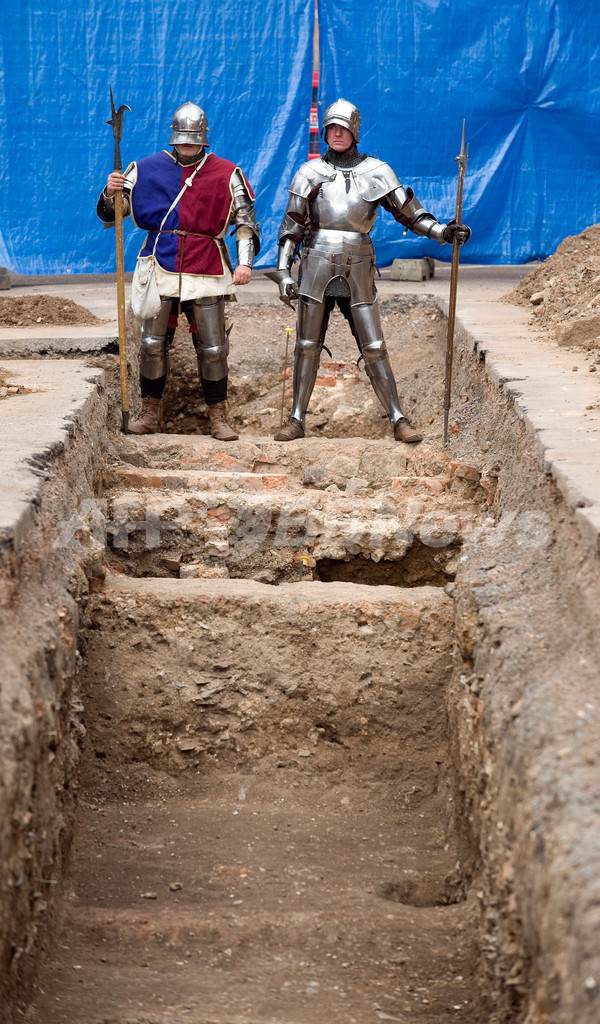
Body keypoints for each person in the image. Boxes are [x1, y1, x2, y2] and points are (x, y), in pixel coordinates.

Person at [270, 98, 470, 443]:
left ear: (354, 133)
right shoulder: (309, 173)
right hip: (315, 263)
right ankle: (296, 419)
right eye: (331, 128)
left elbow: (409, 213)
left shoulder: (377, 171)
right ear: (325, 132)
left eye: (343, 129)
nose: (337, 134)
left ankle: (398, 419)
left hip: (358, 265)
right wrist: (284, 272)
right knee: (305, 345)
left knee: (374, 346)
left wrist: (442, 232)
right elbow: (292, 226)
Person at [97, 102, 259, 438]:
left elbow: (246, 222)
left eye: (192, 138)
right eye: (182, 137)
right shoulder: (144, 169)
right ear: (174, 136)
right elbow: (113, 214)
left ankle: (218, 417)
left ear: (203, 138)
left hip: (207, 264)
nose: (187, 143)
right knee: (152, 344)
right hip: (160, 263)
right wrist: (110, 192)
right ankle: (149, 413)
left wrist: (244, 263)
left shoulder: (228, 172)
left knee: (213, 349)